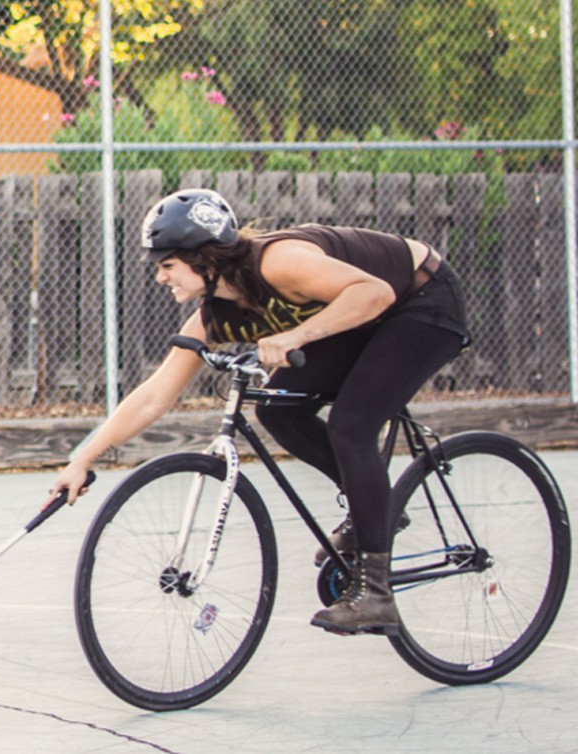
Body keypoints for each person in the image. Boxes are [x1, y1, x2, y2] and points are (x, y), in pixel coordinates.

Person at [48, 188, 471, 634]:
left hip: (420, 302)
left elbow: (374, 292)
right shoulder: (213, 315)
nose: (160, 277)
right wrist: (83, 460)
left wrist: (296, 336)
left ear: (204, 259)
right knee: (278, 409)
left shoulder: (279, 263)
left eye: (167, 265)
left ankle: (376, 596)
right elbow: (155, 395)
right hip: (361, 312)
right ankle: (376, 507)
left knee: (351, 424)